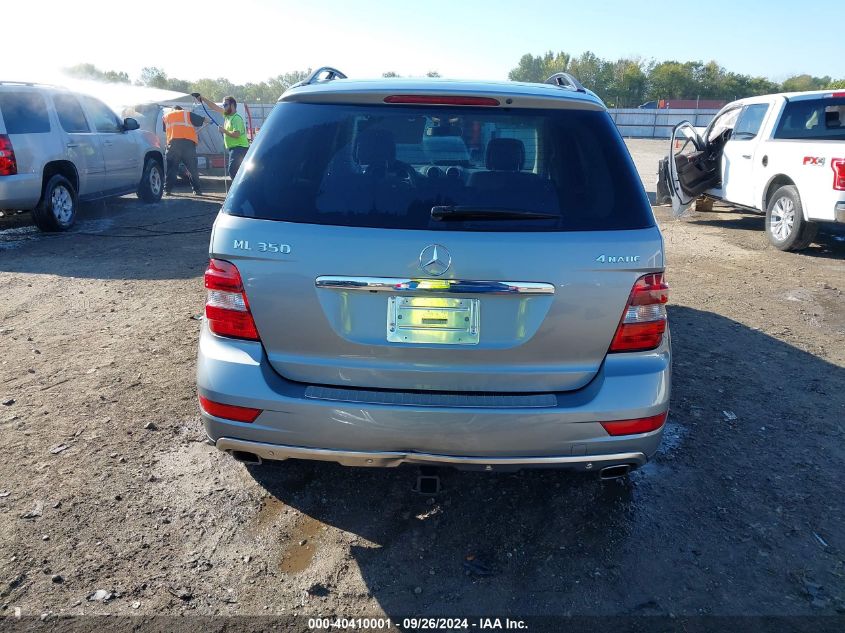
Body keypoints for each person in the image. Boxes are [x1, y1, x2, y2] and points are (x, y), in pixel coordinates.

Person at [193, 94, 249, 180]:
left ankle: (239, 186)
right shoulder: (228, 116)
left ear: (232, 105)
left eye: (225, 105)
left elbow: (236, 134)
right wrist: (203, 99)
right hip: (235, 148)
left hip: (239, 148)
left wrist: (224, 131)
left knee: (233, 170)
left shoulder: (236, 119)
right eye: (223, 105)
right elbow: (214, 107)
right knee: (235, 171)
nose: (224, 107)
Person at [162, 105, 206, 196]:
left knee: (171, 169)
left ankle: (167, 190)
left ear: (173, 110)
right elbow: (201, 120)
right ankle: (197, 190)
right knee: (192, 169)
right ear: (181, 109)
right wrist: (210, 121)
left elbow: (165, 130)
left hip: (173, 145)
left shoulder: (166, 116)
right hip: (188, 145)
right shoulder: (187, 114)